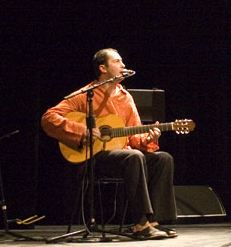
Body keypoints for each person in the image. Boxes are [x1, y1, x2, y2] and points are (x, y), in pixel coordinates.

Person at [41, 48, 177, 240]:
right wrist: (83, 131)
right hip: (95, 159)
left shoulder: (126, 97)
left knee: (163, 158)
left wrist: (148, 139)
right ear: (103, 68)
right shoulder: (85, 94)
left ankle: (155, 221)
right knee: (134, 156)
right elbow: (49, 118)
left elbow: (134, 136)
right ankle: (141, 223)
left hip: (124, 157)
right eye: (117, 61)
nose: (123, 65)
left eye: (122, 61)